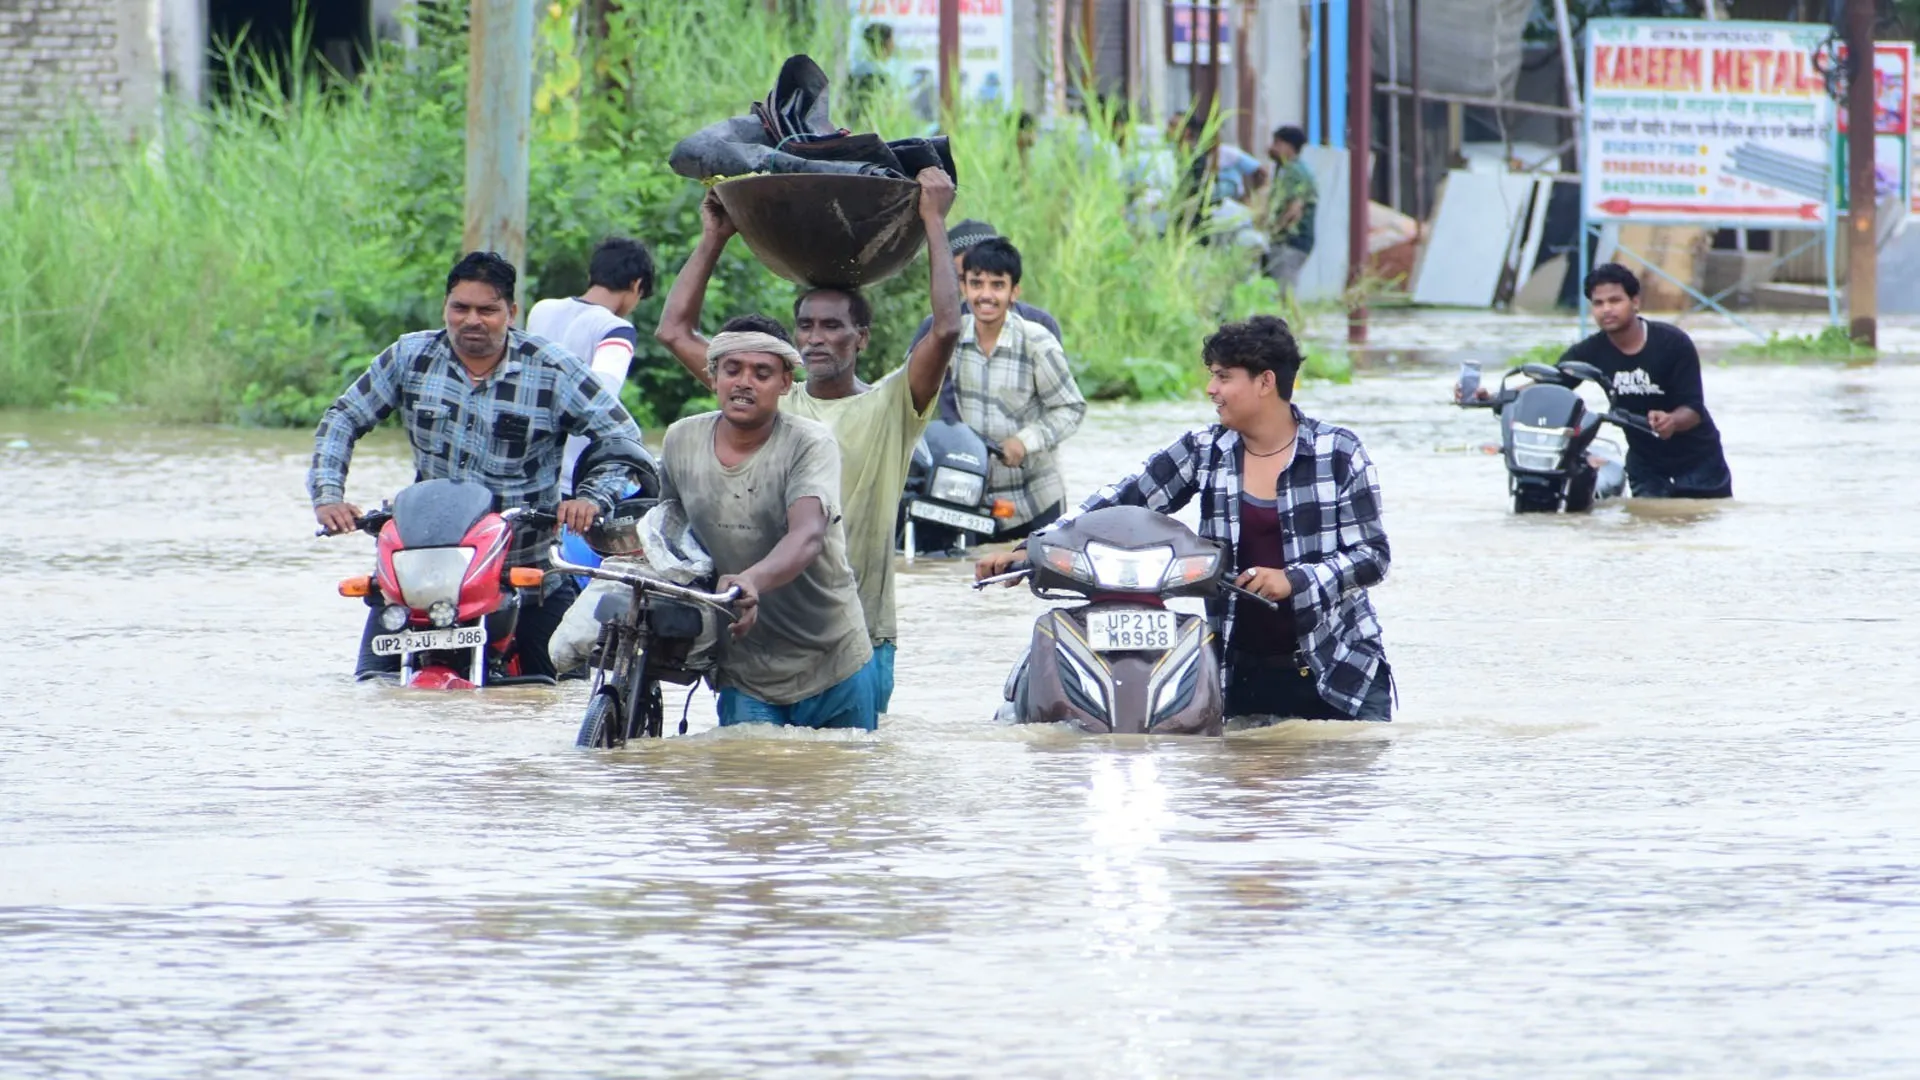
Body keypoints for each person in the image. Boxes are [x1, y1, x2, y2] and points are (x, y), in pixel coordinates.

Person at [976, 315, 1393, 722]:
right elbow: (1120, 500)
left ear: (1266, 382)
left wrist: (1293, 580)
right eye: (1212, 376)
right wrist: (1034, 546)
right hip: (1239, 671)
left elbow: (1373, 556)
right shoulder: (1205, 449)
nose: (1211, 389)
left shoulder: (1338, 453)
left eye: (1224, 377)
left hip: (1339, 670)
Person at [654, 166, 959, 714]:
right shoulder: (768, 397)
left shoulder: (891, 405)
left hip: (860, 634)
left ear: (862, 338)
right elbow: (675, 331)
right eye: (806, 327)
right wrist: (715, 237)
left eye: (833, 327)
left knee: (847, 788)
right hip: (759, 635)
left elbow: (946, 330)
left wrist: (934, 221)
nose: (817, 339)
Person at [309, 251, 644, 681]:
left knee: (560, 693)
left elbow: (622, 438)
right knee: (374, 692)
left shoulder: (552, 367)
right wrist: (328, 496)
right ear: (445, 307)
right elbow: (343, 418)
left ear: (511, 312)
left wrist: (590, 499)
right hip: (420, 570)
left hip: (525, 571)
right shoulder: (411, 356)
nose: (472, 320)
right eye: (460, 308)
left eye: (488, 310)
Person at [657, 330, 880, 730]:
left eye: (761, 373)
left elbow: (808, 534)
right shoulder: (680, 440)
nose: (744, 382)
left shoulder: (809, 444)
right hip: (747, 670)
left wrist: (752, 579)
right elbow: (667, 531)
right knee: (748, 786)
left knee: (843, 785)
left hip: (834, 661)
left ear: (784, 384)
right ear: (713, 377)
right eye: (732, 369)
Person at [949, 237, 1087, 540]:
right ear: (964, 288)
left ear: (1014, 292)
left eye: (997, 285)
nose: (986, 295)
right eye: (976, 283)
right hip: (974, 498)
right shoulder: (950, 339)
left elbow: (1072, 408)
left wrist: (1024, 442)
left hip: (1035, 499)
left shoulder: (1037, 342)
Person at [1562, 263, 1733, 498]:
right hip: (1646, 465)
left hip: (1699, 463)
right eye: (1598, 303)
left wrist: (1671, 420)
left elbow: (1693, 409)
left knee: (1699, 526)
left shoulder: (1673, 343)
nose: (1606, 309)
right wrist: (1501, 397)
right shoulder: (1590, 351)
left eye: (1615, 300)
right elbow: (1554, 383)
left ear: (1635, 302)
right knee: (1645, 528)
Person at [526, 235, 655, 494]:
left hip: (528, 469)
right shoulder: (615, 329)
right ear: (636, 284)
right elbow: (601, 398)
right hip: (573, 478)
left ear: (592, 275)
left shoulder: (542, 309)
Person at [1264, 125, 1316, 296]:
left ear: (1289, 146)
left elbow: (1294, 209)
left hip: (1291, 240)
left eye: (1277, 143)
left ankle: (1294, 323)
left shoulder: (1294, 171)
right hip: (1293, 240)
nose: (1272, 148)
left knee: (1284, 292)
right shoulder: (1288, 170)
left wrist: (1274, 230)